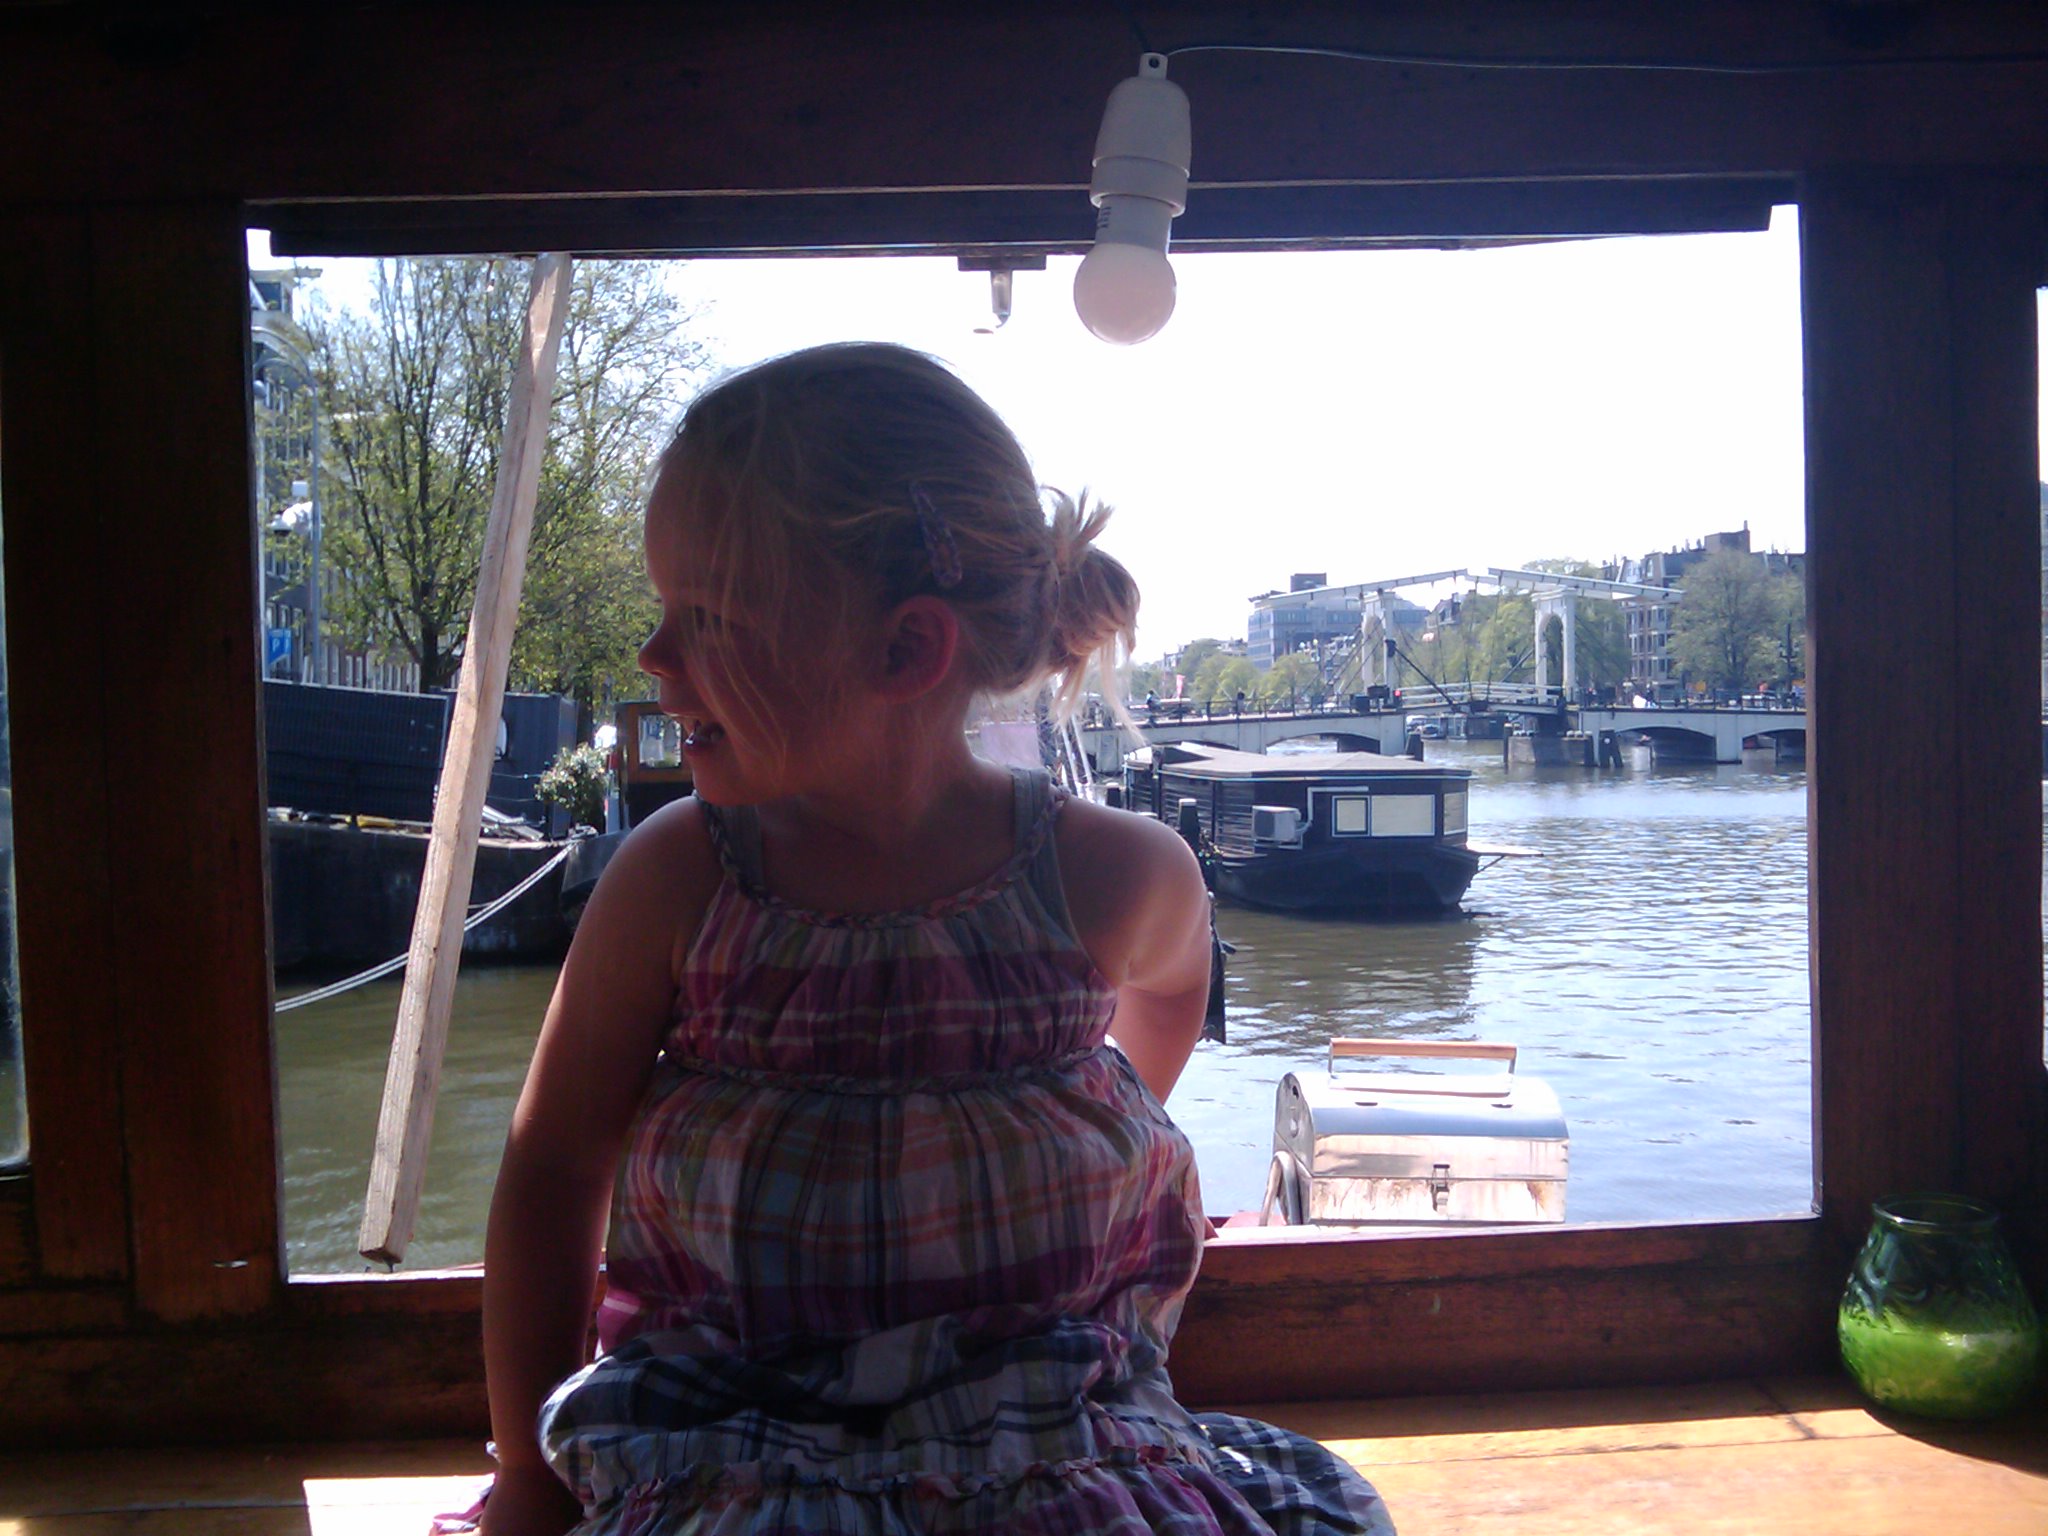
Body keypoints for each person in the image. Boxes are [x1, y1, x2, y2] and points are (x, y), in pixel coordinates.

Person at [473, 343, 1393, 1536]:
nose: (652, 658)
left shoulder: (1110, 872)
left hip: (1051, 1445)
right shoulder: (676, 880)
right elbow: (553, 1165)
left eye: (704, 619)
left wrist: (1065, 1105)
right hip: (728, 1449)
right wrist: (529, 1477)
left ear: (905, 649)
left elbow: (1176, 983)